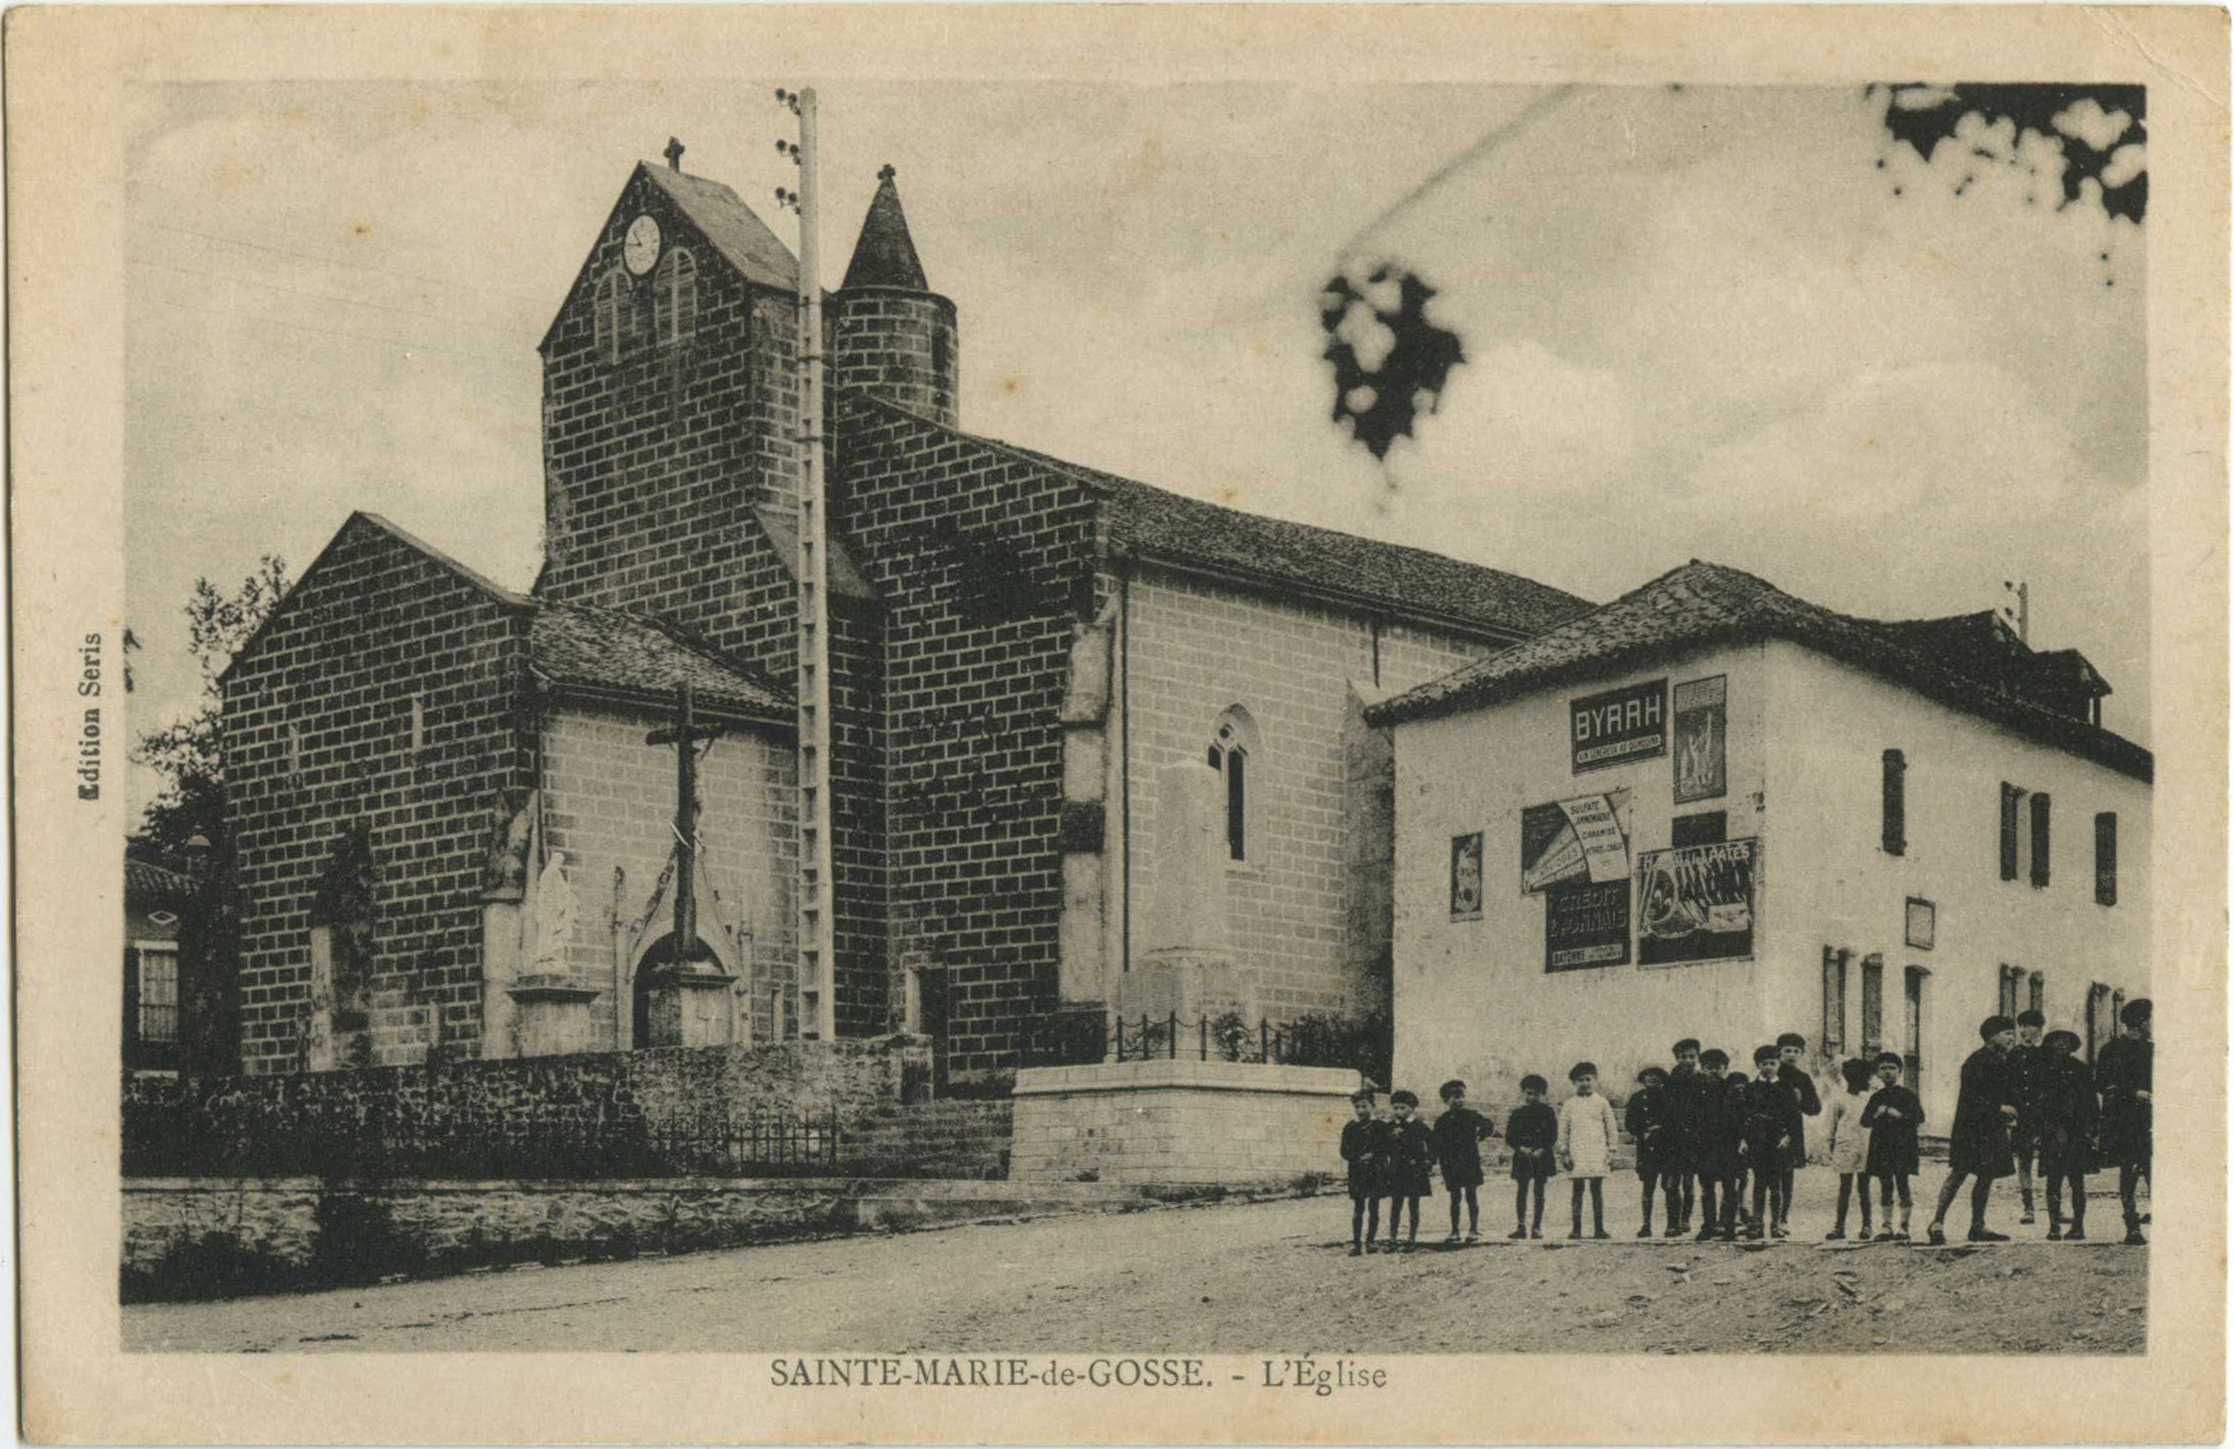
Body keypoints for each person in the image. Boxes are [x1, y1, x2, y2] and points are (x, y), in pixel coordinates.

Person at [1926, 1015, 2021, 1245]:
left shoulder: (2003, 1061)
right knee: (1958, 1173)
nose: (2011, 1038)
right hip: (1971, 1128)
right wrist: (1999, 1107)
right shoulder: (1976, 1062)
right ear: (1991, 1036)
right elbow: (1972, 1099)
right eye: (2007, 1033)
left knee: (1986, 1176)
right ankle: (1936, 1223)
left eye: (2012, 1033)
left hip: (1992, 1127)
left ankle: (1977, 1226)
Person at [2095, 997, 2152, 1245]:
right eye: (2149, 1019)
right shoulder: (2112, 1050)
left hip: (2151, 1118)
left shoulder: (2153, 1049)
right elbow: (2103, 1084)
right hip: (2125, 1120)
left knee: (2154, 1171)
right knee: (2128, 1171)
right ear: (2140, 1022)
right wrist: (2133, 1093)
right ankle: (2132, 1226)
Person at [2033, 1029, 2098, 1241]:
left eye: (2066, 1042)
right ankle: (2054, 1226)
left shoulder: (2081, 1070)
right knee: (2053, 1180)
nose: (2062, 1045)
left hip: (2077, 1131)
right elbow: (2036, 1105)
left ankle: (2078, 1226)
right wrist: (2037, 1131)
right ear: (2050, 1045)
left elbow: (2091, 1102)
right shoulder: (2043, 1071)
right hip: (2052, 1131)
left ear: (2072, 1046)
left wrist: (2092, 1128)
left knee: (2077, 1180)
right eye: (2057, 1042)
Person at [1860, 1051, 1923, 1241]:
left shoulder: (1908, 1095)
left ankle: (1904, 1226)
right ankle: (1887, 1226)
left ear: (1900, 1071)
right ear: (1877, 1073)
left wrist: (1900, 1115)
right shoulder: (1876, 1097)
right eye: (1883, 1069)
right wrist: (1877, 1114)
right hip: (1882, 1147)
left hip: (1903, 1146)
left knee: (1903, 1184)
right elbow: (1864, 1121)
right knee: (1885, 1184)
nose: (1888, 1072)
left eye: (1892, 1068)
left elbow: (1920, 1117)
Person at [1431, 1078, 1497, 1243]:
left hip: (1469, 1161)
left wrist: (1480, 1135)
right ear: (1445, 1100)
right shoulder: (1442, 1121)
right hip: (1450, 1163)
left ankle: (1473, 1229)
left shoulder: (1471, 1115)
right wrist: (1433, 1161)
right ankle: (1454, 1231)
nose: (1459, 1100)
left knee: (1471, 1195)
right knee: (1455, 1198)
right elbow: (1436, 1143)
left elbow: (1489, 1125)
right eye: (1454, 1096)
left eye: (1461, 1096)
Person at [1558, 1061, 1619, 1240]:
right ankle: (1576, 1229)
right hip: (1577, 1151)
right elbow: (1563, 1129)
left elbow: (1611, 1127)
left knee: (1596, 1190)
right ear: (1574, 1083)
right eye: (1580, 1080)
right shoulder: (1569, 1104)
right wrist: (1564, 1151)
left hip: (1597, 1151)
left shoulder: (1602, 1102)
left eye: (1588, 1079)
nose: (1585, 1083)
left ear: (1595, 1080)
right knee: (1577, 1190)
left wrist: (1612, 1149)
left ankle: (1599, 1228)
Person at [1740, 1046, 1793, 1240]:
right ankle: (1757, 1224)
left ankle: (1776, 1224)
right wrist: (1745, 1138)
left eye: (1772, 1063)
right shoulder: (1751, 1088)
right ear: (1757, 1065)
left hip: (1778, 1140)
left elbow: (1792, 1116)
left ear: (1779, 1064)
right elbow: (1744, 1115)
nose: (1768, 1067)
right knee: (1759, 1184)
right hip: (1758, 1140)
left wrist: (1788, 1136)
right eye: (1764, 1064)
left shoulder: (1785, 1088)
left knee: (1776, 1185)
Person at [1773, 1032, 1822, 1237]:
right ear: (1779, 1053)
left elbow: (1815, 1108)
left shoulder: (1802, 1078)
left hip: (1793, 1131)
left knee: (1787, 1176)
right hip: (1769, 1130)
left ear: (1801, 1054)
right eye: (1787, 1051)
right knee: (1766, 1176)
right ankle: (1762, 1219)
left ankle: (1783, 1218)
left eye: (1795, 1051)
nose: (1791, 1055)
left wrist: (1801, 1099)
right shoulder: (1771, 1071)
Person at [1822, 1057, 1876, 1241]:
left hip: (1866, 1147)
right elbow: (1830, 1126)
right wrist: (1829, 1148)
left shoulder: (1870, 1099)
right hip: (1845, 1147)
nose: (1868, 1082)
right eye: (1865, 1078)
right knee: (1844, 1187)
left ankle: (1867, 1225)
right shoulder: (1839, 1099)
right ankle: (1839, 1227)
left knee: (1864, 1187)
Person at [1695, 1050, 1744, 1241]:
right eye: (1708, 1068)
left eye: (1717, 1068)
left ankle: (1729, 1227)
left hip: (1728, 1146)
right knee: (1707, 1188)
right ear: (1702, 1068)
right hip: (1705, 1147)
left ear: (1725, 1069)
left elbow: (1740, 1118)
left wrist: (1740, 1139)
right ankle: (1708, 1226)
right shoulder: (1697, 1091)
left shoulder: (1732, 1090)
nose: (1713, 1072)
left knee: (1729, 1188)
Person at [1625, 1065, 1678, 1238]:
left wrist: (1661, 1128)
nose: (1652, 1079)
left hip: (1668, 1148)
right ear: (1643, 1079)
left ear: (1663, 1079)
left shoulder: (1670, 1097)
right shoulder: (1637, 1099)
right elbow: (1630, 1123)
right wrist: (1643, 1131)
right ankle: (1646, 1225)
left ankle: (1672, 1224)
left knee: (1670, 1186)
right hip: (1647, 1149)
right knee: (1648, 1186)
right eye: (1648, 1076)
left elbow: (1677, 1119)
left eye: (1656, 1076)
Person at [1662, 1038, 1706, 1237]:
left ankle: (1685, 1219)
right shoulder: (1670, 1082)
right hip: (1672, 1140)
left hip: (1694, 1140)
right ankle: (1672, 1222)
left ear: (1697, 1058)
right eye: (1683, 1057)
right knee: (1672, 1183)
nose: (1687, 1061)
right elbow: (1665, 1110)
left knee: (1689, 1182)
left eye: (1691, 1057)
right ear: (1676, 1058)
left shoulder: (1702, 1080)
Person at [1505, 1074, 1558, 1239]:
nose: (1532, 1097)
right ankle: (1521, 1227)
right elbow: (1510, 1136)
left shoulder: (1548, 1112)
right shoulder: (1517, 1113)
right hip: (1523, 1156)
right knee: (1521, 1191)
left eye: (1536, 1094)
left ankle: (1537, 1226)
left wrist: (1542, 1149)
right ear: (1523, 1093)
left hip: (1542, 1157)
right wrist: (1521, 1148)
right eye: (1528, 1093)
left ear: (1543, 1095)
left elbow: (1553, 1135)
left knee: (1539, 1191)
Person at [2008, 1009, 2049, 1225]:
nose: (2025, 1031)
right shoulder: (2013, 1054)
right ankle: (2028, 1207)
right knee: (2024, 1161)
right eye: (2021, 1026)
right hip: (2022, 1116)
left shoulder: (2047, 1054)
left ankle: (2055, 1207)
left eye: (2029, 1026)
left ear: (2039, 1028)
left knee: (2053, 1159)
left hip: (2043, 1115)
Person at [1383, 1089, 1435, 1252]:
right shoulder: (1390, 1127)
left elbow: (1433, 1144)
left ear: (1412, 1108)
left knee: (1414, 1204)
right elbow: (1382, 1145)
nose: (1399, 1112)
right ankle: (1392, 1238)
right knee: (1395, 1205)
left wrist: (1429, 1161)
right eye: (1396, 1108)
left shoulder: (1420, 1127)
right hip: (1397, 1170)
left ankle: (1411, 1238)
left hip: (1415, 1170)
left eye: (1403, 1108)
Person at [1338, 1088, 1388, 1256]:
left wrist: (1373, 1156)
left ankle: (1371, 1241)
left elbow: (1385, 1148)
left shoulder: (1380, 1127)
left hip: (1375, 1171)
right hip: (1357, 1172)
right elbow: (1344, 1151)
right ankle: (1357, 1242)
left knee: (1374, 1206)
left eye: (1364, 1106)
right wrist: (1357, 1157)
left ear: (1372, 1106)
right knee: (1358, 1207)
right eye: (1357, 1107)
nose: (1360, 1110)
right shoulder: (1350, 1127)